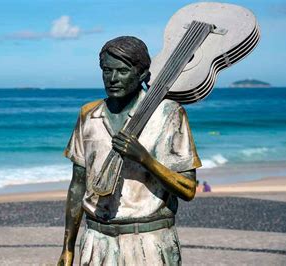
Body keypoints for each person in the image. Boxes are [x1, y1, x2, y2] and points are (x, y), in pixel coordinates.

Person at [57, 36, 202, 265]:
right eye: (107, 70)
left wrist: (145, 159)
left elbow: (188, 189)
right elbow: (77, 185)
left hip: (150, 241)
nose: (112, 78)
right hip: (97, 241)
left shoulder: (168, 114)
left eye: (122, 71)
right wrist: (67, 247)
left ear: (142, 74)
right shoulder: (89, 114)